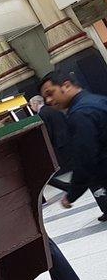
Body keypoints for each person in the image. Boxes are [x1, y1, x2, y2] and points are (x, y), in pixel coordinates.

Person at [40, 71, 107, 222]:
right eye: (45, 98)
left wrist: (72, 195)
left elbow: (86, 159)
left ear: (67, 86)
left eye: (50, 93)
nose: (49, 100)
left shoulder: (80, 114)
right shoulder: (97, 100)